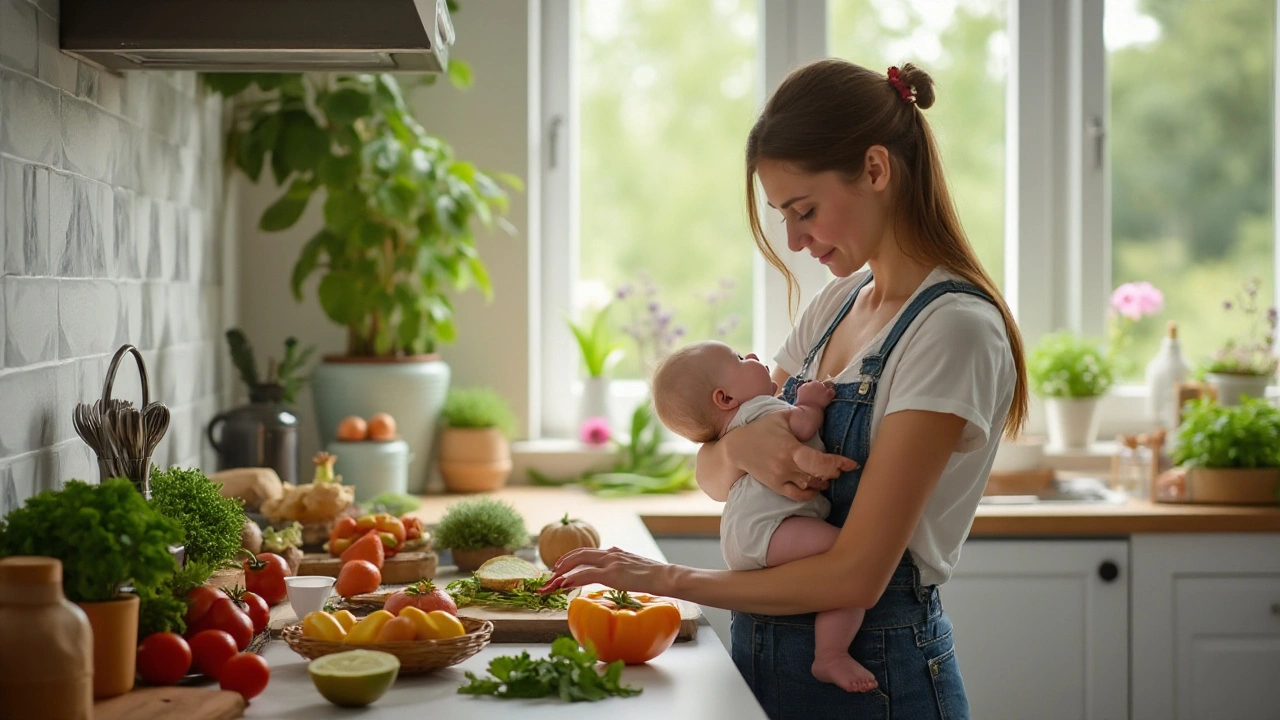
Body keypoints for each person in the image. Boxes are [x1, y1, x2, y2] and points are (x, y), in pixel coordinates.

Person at [542, 59, 1028, 720]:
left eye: (805, 211)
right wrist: (742, 449)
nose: (796, 241)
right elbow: (715, 470)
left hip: (878, 682)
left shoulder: (954, 330)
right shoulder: (836, 303)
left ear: (877, 170)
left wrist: (666, 580)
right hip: (763, 665)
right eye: (783, 217)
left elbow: (857, 574)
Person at [650, 340, 873, 692]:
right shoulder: (762, 409)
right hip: (770, 529)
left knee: (843, 567)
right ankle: (831, 654)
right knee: (846, 557)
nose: (753, 356)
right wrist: (810, 402)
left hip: (750, 536)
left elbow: (714, 471)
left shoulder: (739, 422)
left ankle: (831, 654)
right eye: (739, 359)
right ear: (724, 399)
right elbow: (801, 427)